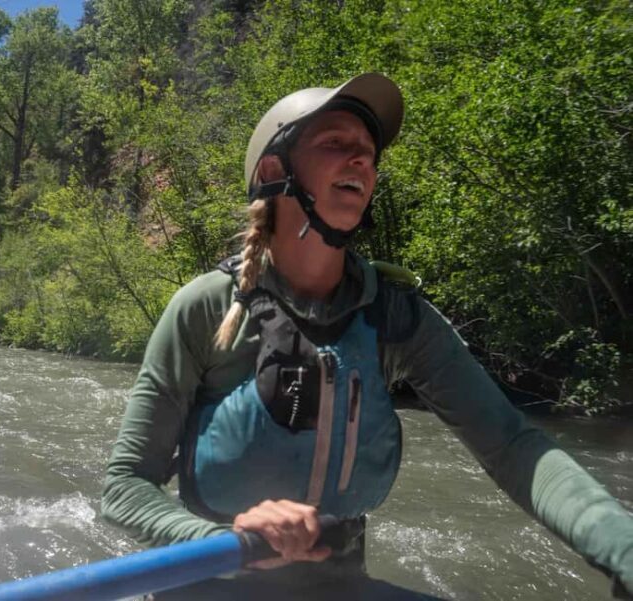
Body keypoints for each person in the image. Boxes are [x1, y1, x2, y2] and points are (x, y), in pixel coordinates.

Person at [101, 73, 633, 600]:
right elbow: (124, 487)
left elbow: (515, 447)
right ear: (272, 170)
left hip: (340, 586)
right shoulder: (206, 309)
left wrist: (621, 545)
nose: (362, 160)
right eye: (336, 144)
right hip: (213, 583)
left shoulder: (398, 317)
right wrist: (221, 539)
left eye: (369, 153)